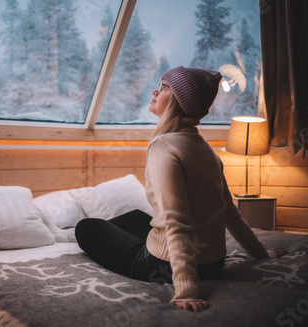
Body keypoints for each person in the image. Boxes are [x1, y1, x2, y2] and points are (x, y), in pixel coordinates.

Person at [75, 66, 281, 313]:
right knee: (134, 217)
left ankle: (76, 235)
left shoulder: (163, 147)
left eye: (163, 88)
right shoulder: (204, 148)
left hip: (165, 266)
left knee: (86, 227)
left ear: (178, 100)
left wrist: (186, 289)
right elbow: (231, 215)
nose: (155, 90)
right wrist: (262, 256)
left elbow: (176, 221)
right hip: (213, 262)